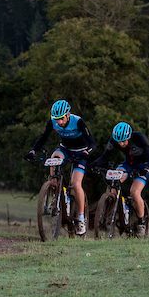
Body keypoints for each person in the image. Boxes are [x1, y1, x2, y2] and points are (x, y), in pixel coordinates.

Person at [25, 99, 94, 235]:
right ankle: (54, 187)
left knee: (75, 184)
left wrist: (87, 152)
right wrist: (33, 151)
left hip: (81, 152)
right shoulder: (53, 122)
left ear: (68, 115)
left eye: (61, 119)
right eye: (56, 119)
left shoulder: (78, 121)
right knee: (54, 158)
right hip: (65, 149)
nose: (59, 122)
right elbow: (43, 137)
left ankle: (80, 218)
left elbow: (92, 142)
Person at [91, 121, 149, 236]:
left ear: (129, 137)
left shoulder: (139, 138)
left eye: (123, 141)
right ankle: (112, 208)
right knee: (113, 180)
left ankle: (141, 223)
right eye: (118, 142)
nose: (121, 144)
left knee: (134, 192)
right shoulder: (114, 140)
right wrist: (94, 164)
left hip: (143, 166)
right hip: (128, 164)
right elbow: (105, 156)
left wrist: (145, 169)